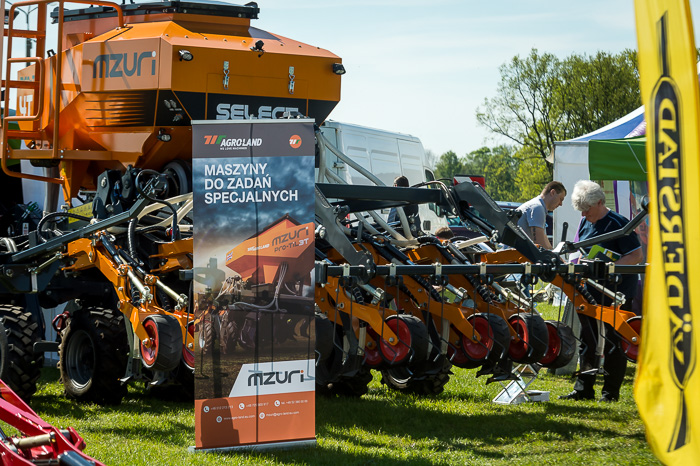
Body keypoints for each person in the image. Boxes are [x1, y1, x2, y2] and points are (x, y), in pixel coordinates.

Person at [560, 180, 643, 402]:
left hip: (617, 291)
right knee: (588, 338)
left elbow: (636, 256)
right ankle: (583, 389)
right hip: (590, 289)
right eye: (581, 210)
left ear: (599, 202)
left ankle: (610, 393)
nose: (583, 214)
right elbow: (582, 250)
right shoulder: (584, 222)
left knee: (614, 340)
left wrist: (610, 268)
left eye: (586, 209)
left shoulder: (619, 223)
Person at [516, 181, 567, 249]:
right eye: (560, 199)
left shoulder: (539, 207)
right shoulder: (537, 208)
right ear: (553, 192)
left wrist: (554, 254)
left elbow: (544, 240)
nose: (561, 204)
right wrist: (552, 254)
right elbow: (539, 244)